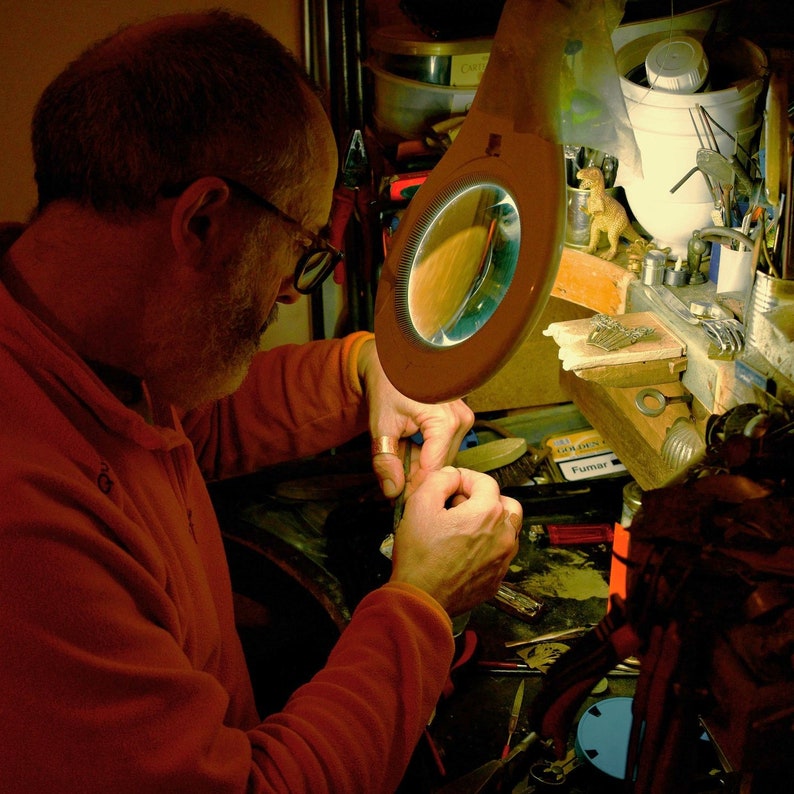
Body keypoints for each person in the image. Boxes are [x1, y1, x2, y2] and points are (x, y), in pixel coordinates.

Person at [0, 10, 522, 793]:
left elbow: (178, 431)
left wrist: (361, 371)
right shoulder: (27, 532)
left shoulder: (69, 337)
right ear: (204, 221)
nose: (287, 289)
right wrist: (422, 604)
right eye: (299, 248)